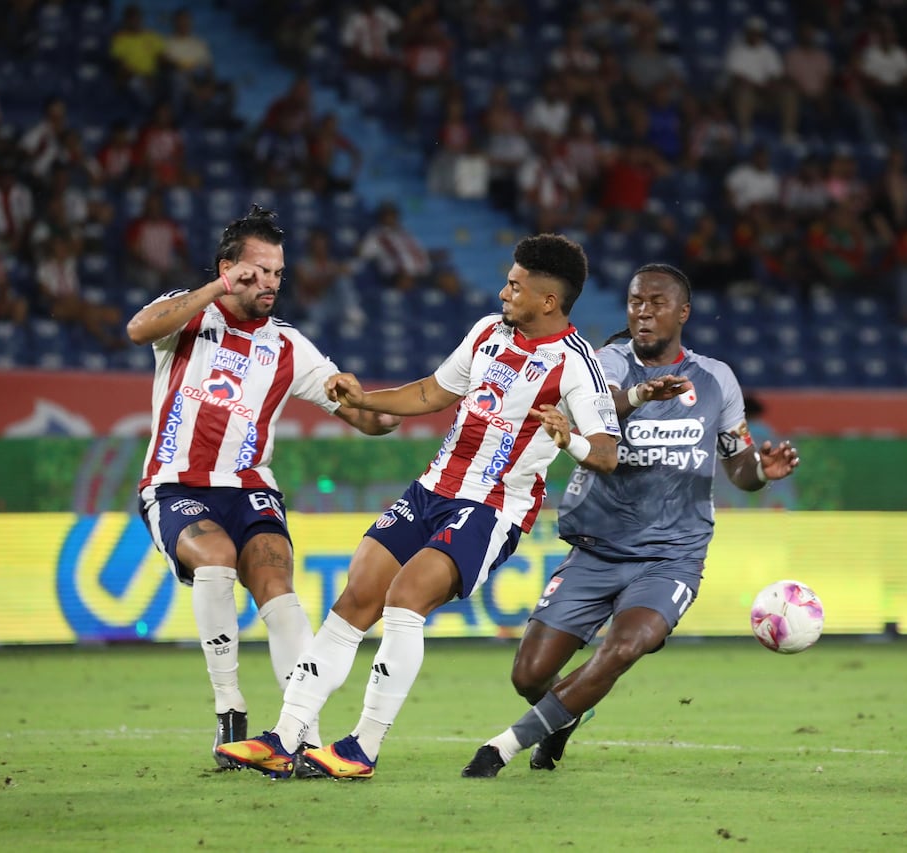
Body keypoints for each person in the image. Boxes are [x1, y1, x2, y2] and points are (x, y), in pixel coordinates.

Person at [216, 234, 622, 780]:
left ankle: (362, 747)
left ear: (548, 301)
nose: (503, 291)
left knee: (405, 598)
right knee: (356, 597)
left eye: (515, 285)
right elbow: (433, 392)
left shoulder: (578, 365)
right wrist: (362, 400)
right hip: (430, 490)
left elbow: (607, 453)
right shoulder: (486, 333)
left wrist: (567, 439)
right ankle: (284, 737)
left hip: (490, 509)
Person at [459, 263, 800, 777]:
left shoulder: (716, 379)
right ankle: (564, 717)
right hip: (598, 546)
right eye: (636, 301)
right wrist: (640, 396)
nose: (643, 310)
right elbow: (597, 412)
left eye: (656, 302)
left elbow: (739, 465)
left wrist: (760, 470)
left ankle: (501, 747)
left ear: (682, 313)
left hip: (672, 555)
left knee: (622, 648)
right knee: (530, 676)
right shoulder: (605, 364)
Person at [125, 205, 398, 767]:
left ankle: (303, 733)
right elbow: (136, 330)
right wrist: (216, 289)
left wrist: (380, 407)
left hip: (250, 488)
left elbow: (366, 419)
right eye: (256, 271)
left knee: (277, 584)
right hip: (176, 484)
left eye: (277, 272)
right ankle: (230, 707)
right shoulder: (187, 315)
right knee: (217, 559)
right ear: (228, 269)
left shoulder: (289, 346)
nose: (269, 283)